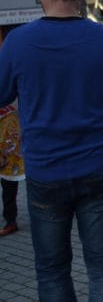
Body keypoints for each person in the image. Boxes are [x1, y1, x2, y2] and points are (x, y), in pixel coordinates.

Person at [0, 0, 103, 301]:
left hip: (46, 169)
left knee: (51, 269)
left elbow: (2, 93)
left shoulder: (17, 43)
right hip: (100, 165)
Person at [0, 24, 23, 237]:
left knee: (10, 178)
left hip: (16, 133)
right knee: (7, 179)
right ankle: (10, 218)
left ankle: (11, 220)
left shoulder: (14, 65)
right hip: (5, 133)